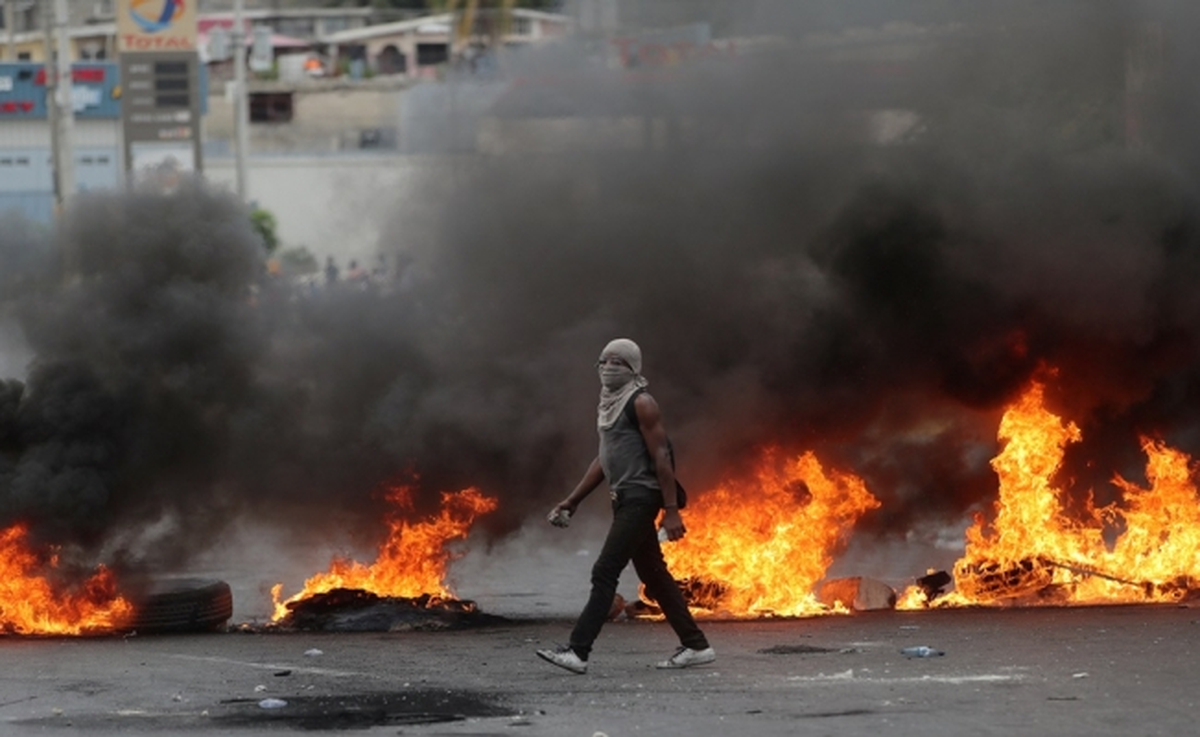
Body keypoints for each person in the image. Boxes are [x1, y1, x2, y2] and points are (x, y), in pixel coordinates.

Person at [537, 338, 715, 674]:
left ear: (633, 367)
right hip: (623, 500)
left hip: (640, 498)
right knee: (654, 576)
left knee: (605, 571)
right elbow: (604, 459)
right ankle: (696, 645)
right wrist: (573, 500)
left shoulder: (641, 402)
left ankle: (578, 651)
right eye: (604, 361)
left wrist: (671, 510)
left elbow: (661, 456)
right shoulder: (608, 404)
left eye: (617, 362)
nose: (609, 368)